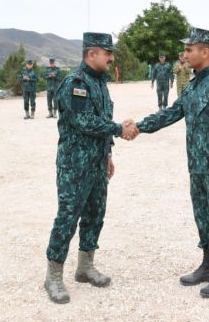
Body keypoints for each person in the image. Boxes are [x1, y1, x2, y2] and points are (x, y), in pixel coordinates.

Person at [132, 27, 209, 299]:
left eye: (189, 49)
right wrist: (139, 126)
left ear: (205, 52)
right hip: (196, 163)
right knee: (203, 214)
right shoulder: (194, 84)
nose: (185, 53)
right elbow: (173, 112)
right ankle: (208, 265)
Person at [43, 32, 138, 304]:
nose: (111, 57)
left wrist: (108, 155)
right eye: (107, 53)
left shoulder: (100, 83)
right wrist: (120, 129)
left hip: (96, 163)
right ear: (91, 54)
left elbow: (101, 121)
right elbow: (84, 122)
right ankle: (53, 276)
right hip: (75, 165)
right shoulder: (76, 83)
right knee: (68, 217)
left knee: (96, 214)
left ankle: (85, 267)